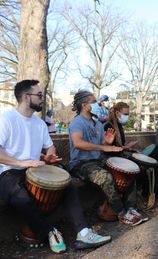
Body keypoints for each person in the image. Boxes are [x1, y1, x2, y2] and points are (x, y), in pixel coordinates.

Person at [0, 80, 111, 254]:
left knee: (68, 185)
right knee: (19, 196)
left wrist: (50, 155)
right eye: (39, 95)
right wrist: (23, 162)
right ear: (26, 97)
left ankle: (83, 232)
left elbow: (50, 146)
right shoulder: (6, 120)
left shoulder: (39, 124)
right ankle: (50, 232)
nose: (42, 98)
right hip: (10, 170)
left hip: (36, 169)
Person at [68, 90, 147, 226]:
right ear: (84, 105)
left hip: (98, 160)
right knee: (105, 177)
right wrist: (104, 147)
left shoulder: (97, 123)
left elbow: (99, 145)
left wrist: (106, 142)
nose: (98, 104)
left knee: (129, 171)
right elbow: (78, 143)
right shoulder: (77, 122)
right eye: (94, 102)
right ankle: (121, 213)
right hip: (80, 164)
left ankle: (131, 208)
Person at [103, 101, 148, 223]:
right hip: (110, 159)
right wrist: (125, 148)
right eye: (125, 114)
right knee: (132, 172)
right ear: (117, 113)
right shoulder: (108, 126)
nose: (127, 116)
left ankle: (131, 207)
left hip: (118, 156)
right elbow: (109, 148)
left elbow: (119, 146)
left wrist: (129, 148)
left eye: (128, 114)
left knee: (137, 169)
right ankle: (128, 208)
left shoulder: (119, 126)